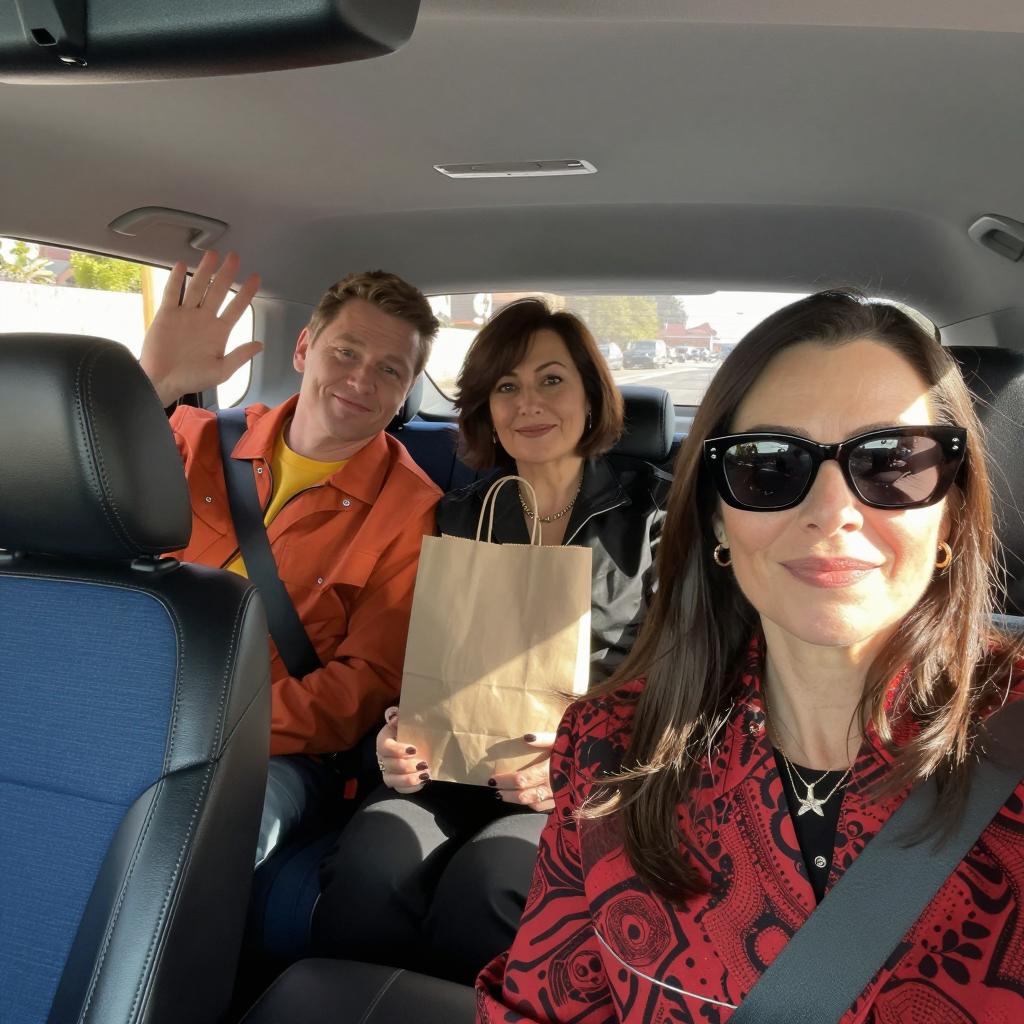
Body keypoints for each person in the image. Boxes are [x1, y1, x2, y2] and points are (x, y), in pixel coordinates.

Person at [476, 289, 1024, 1022]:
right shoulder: (607, 749)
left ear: (952, 508)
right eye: (769, 465)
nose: (832, 511)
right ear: (717, 518)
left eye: (892, 461)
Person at [315, 298, 670, 981]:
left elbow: (689, 680)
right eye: (506, 386)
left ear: (591, 397)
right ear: (486, 409)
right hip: (452, 765)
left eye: (551, 380)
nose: (528, 403)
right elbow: (416, 661)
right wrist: (395, 735)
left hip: (588, 779)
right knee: (371, 864)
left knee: (490, 881)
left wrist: (585, 759)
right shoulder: (457, 514)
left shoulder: (658, 514)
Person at [139, 250, 442, 862]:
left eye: (389, 369)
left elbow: (365, 683)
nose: (361, 380)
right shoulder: (191, 437)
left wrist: (213, 725)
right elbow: (71, 505)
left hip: (269, 749)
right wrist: (153, 385)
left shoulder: (409, 508)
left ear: (406, 390)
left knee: (191, 845)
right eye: (345, 352)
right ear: (304, 348)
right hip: (122, 694)